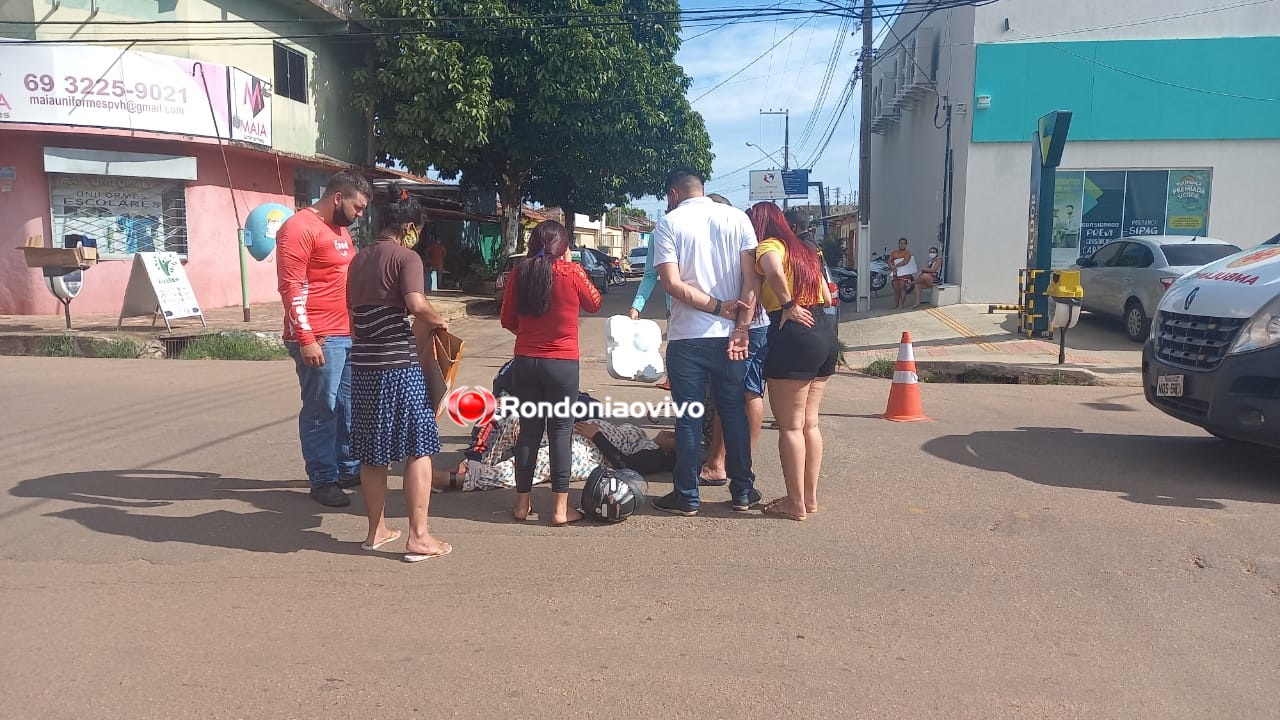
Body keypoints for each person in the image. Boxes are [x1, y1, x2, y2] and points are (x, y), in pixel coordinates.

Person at [345, 194, 452, 561]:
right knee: (418, 447)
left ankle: (375, 532)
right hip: (398, 367)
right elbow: (416, 303)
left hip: (363, 367)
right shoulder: (406, 257)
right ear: (408, 229)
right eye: (416, 232)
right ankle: (418, 537)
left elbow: (354, 321)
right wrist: (439, 321)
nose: (417, 240)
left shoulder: (358, 260)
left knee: (373, 454)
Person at [650, 167, 763, 516]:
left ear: (673, 194)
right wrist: (741, 326)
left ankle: (687, 496)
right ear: (701, 188)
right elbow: (752, 279)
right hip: (732, 337)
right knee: (733, 412)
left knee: (689, 417)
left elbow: (671, 283)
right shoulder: (738, 218)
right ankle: (742, 491)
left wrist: (716, 307)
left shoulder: (669, 223)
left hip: (688, 337)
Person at [276, 170, 371, 507]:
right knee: (322, 409)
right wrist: (305, 337)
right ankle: (322, 479)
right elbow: (291, 287)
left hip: (346, 334)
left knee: (346, 406)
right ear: (337, 198)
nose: (359, 214)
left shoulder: (340, 229)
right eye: (357, 207)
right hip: (319, 336)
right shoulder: (299, 228)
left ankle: (346, 468)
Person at [500, 220, 603, 525]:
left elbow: (507, 319)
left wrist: (530, 335)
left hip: (526, 362)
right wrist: (573, 266)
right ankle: (560, 510)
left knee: (529, 432)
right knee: (560, 432)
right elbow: (594, 303)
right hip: (562, 365)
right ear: (564, 247)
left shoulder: (520, 272)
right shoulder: (571, 273)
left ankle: (522, 506)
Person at [751, 201, 838, 521]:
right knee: (810, 423)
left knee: (789, 426)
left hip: (792, 331)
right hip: (824, 331)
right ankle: (809, 498)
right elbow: (828, 296)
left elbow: (772, 268)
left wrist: (787, 303)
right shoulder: (806, 249)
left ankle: (794, 502)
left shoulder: (769, 245)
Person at [698, 194, 770, 487]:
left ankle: (723, 463)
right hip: (751, 325)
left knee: (735, 394)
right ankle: (736, 462)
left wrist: (741, 326)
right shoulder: (742, 239)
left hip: (745, 327)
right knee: (743, 393)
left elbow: (749, 285)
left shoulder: (740, 242)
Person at [432, 416, 677, 492]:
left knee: (533, 464)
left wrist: (596, 435)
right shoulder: (643, 436)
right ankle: (475, 464)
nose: (670, 431)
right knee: (515, 420)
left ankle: (455, 480)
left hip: (588, 454)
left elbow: (624, 464)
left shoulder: (655, 456)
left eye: (675, 437)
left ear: (671, 453)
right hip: (575, 433)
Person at [888, 237, 916, 310]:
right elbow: (889, 260)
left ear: (906, 244)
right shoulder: (894, 252)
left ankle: (901, 305)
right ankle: (896, 305)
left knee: (902, 288)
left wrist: (896, 265)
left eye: (904, 243)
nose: (902, 244)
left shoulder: (907, 252)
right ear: (898, 244)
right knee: (896, 289)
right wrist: (892, 266)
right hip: (895, 272)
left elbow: (906, 261)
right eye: (901, 243)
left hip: (904, 272)